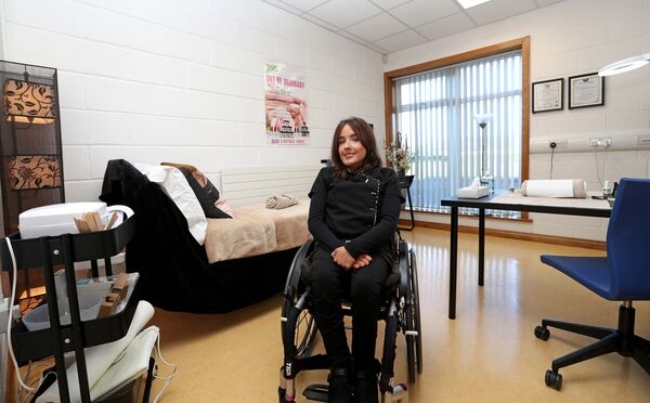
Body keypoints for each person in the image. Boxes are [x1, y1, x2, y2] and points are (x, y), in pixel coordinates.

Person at [307, 117, 403, 403]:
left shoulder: (387, 177)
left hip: (373, 247)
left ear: (367, 142)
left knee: (364, 285)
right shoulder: (326, 176)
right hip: (331, 246)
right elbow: (315, 221)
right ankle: (339, 368)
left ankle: (363, 371)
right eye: (341, 141)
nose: (347, 146)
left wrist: (356, 248)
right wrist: (340, 249)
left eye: (354, 139)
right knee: (321, 279)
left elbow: (388, 223)